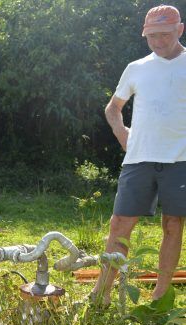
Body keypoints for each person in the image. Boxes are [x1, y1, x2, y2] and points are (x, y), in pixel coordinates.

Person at [90, 5, 186, 306]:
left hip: (181, 160)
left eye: (164, 35)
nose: (157, 42)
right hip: (139, 157)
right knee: (119, 224)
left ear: (180, 30)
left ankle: (159, 296)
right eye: (151, 36)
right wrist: (121, 132)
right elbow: (112, 107)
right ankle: (102, 292)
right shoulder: (137, 67)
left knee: (173, 224)